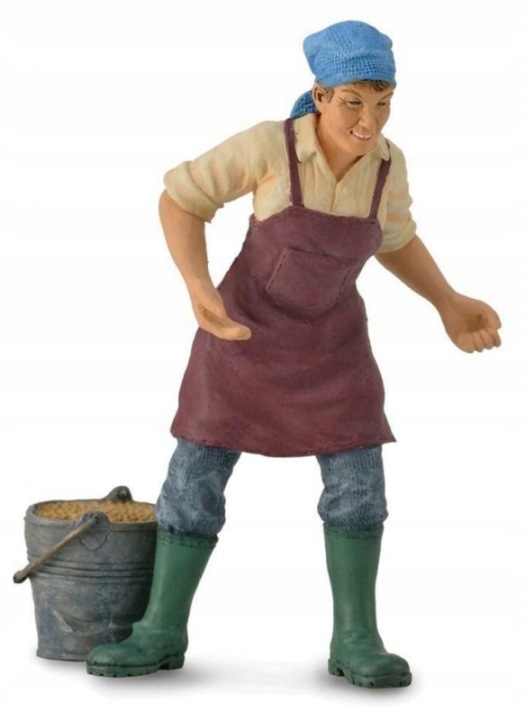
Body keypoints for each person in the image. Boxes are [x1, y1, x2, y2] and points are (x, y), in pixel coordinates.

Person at [87, 21, 501, 688]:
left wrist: (447, 301)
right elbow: (181, 199)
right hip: (239, 341)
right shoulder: (269, 146)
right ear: (320, 93)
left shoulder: (387, 165)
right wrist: (198, 286)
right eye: (352, 102)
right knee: (193, 479)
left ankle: (356, 638)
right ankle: (159, 629)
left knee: (358, 485)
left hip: (335, 350)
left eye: (383, 102)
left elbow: (394, 238)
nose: (368, 121)